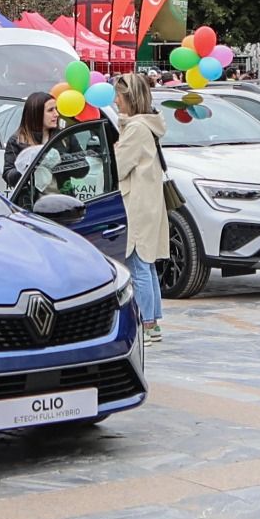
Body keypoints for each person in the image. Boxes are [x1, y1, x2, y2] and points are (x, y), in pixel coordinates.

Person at [113, 73, 167, 343]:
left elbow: (120, 167)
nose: (115, 102)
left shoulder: (135, 129)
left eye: (119, 97)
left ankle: (147, 323)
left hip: (136, 201)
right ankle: (153, 321)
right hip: (149, 201)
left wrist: (115, 147)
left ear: (129, 99)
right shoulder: (148, 125)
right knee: (147, 263)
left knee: (137, 263)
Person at [4, 92, 59, 188]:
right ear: (36, 113)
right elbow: (8, 177)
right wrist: (26, 166)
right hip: (31, 199)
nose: (56, 114)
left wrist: (65, 158)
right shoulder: (17, 140)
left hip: (63, 197)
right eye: (50, 110)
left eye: (56, 109)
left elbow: (82, 171)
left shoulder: (63, 137)